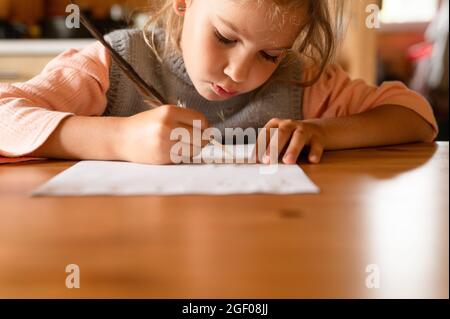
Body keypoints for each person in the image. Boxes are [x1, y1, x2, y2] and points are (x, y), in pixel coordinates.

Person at [0, 0, 438, 165]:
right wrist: (116, 139)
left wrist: (320, 131)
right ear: (183, 2)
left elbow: (415, 116)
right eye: (225, 37)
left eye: (270, 54)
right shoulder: (111, 64)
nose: (240, 73)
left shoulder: (300, 79)